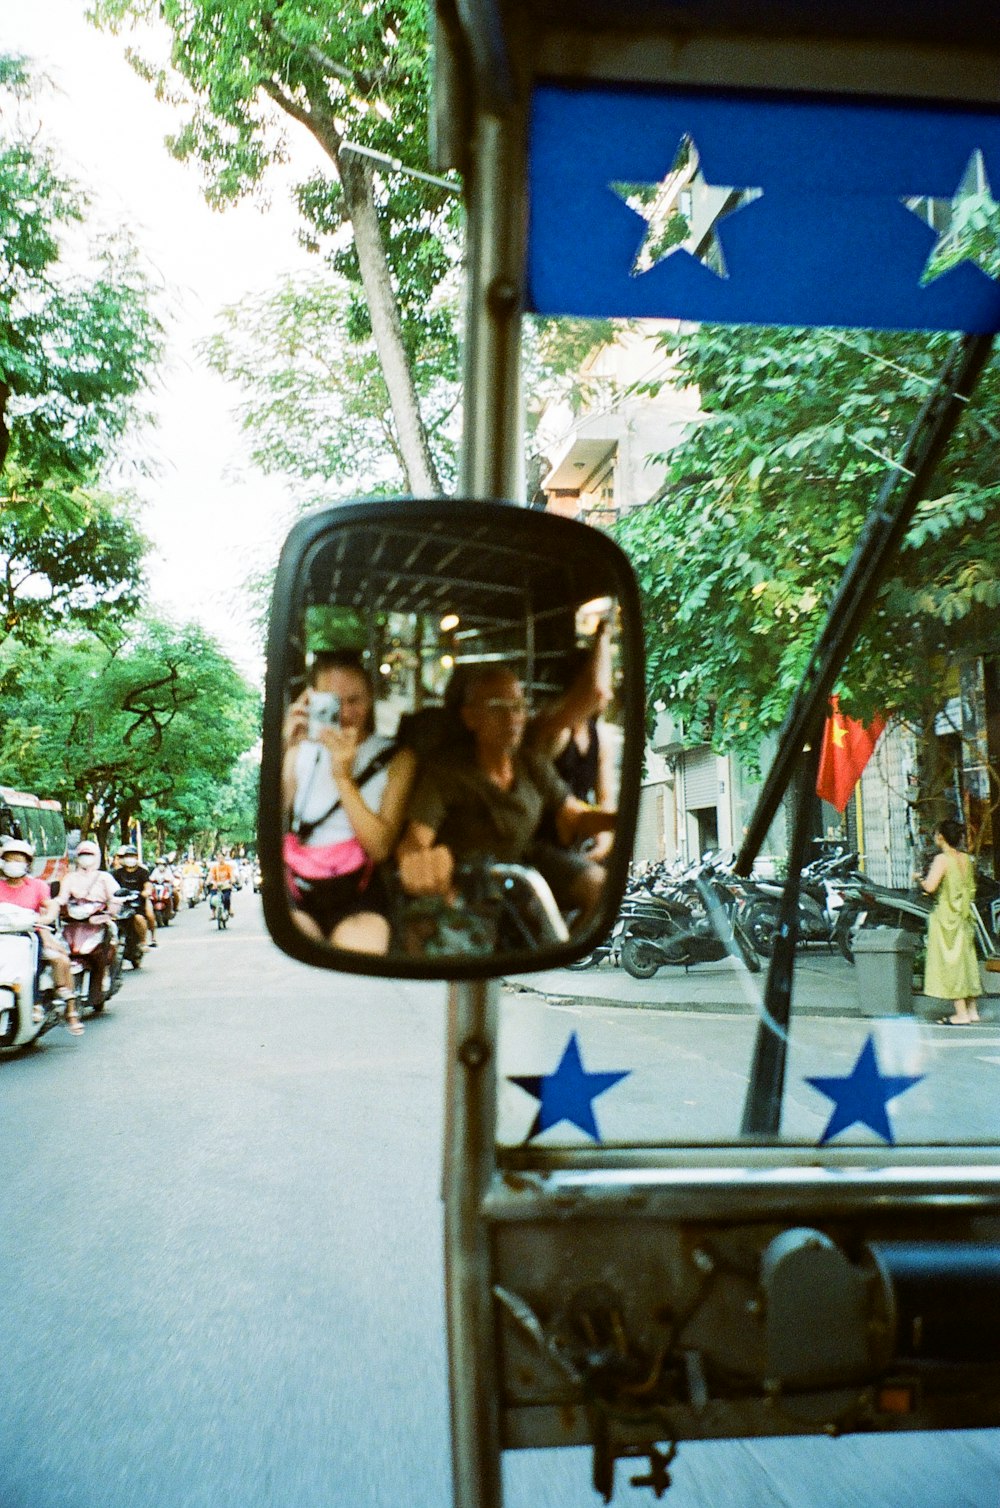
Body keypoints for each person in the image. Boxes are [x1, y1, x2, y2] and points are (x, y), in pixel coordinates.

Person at [397, 664, 615, 930]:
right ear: (470, 717)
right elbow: (415, 840)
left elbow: (574, 816)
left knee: (603, 889)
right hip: (468, 880)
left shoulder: (531, 763)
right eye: (497, 707)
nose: (512, 717)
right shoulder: (445, 773)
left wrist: (617, 820)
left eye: (518, 706)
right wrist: (421, 867)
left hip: (526, 865)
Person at [282, 650, 417, 953]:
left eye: (354, 700)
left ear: (370, 700)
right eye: (331, 702)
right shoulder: (300, 748)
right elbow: (270, 819)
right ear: (311, 700)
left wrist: (343, 777)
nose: (343, 713)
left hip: (360, 892)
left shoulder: (396, 758)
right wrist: (285, 746)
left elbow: (380, 846)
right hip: (300, 886)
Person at [528, 620, 617, 863]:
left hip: (576, 842)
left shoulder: (600, 737)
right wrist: (602, 636)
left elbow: (604, 798)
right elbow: (598, 691)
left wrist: (603, 843)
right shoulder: (551, 729)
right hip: (540, 845)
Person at [0, 835, 81, 1033]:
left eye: (19, 860)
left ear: (28, 863)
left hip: (29, 936)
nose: (14, 864)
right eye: (10, 859)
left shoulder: (37, 886)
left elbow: (50, 905)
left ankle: (37, 1002)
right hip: (3, 936)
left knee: (36, 962)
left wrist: (46, 918)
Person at [914, 817, 984, 1025]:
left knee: (951, 964)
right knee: (966, 961)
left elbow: (930, 887)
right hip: (964, 916)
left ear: (942, 837)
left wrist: (918, 878)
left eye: (936, 834)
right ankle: (972, 1010)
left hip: (946, 917)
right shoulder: (966, 859)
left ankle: (960, 1013)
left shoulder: (942, 859)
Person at [59, 839, 121, 1004]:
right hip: (74, 923)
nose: (86, 858)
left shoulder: (104, 877)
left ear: (97, 856)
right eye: (82, 855)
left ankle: (107, 977)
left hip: (99, 921)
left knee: (110, 941)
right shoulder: (69, 878)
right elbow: (62, 898)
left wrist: (112, 909)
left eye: (89, 855)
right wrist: (55, 905)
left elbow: (115, 897)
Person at [111, 844, 155, 954]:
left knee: (140, 918)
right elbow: (110, 887)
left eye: (132, 856)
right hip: (120, 905)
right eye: (127, 856)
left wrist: (145, 892)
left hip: (137, 904)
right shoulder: (117, 873)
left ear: (136, 857)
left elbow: (148, 886)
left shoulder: (143, 872)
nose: (129, 859)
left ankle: (144, 941)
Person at [206, 849, 237, 922]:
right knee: (212, 899)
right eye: (219, 858)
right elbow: (210, 876)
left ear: (224, 858)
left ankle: (229, 909)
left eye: (222, 858)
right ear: (217, 859)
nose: (220, 860)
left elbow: (232, 875)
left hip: (226, 886)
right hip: (216, 887)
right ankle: (213, 913)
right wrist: (207, 882)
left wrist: (232, 880)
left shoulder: (228, 867)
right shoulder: (214, 868)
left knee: (226, 898)